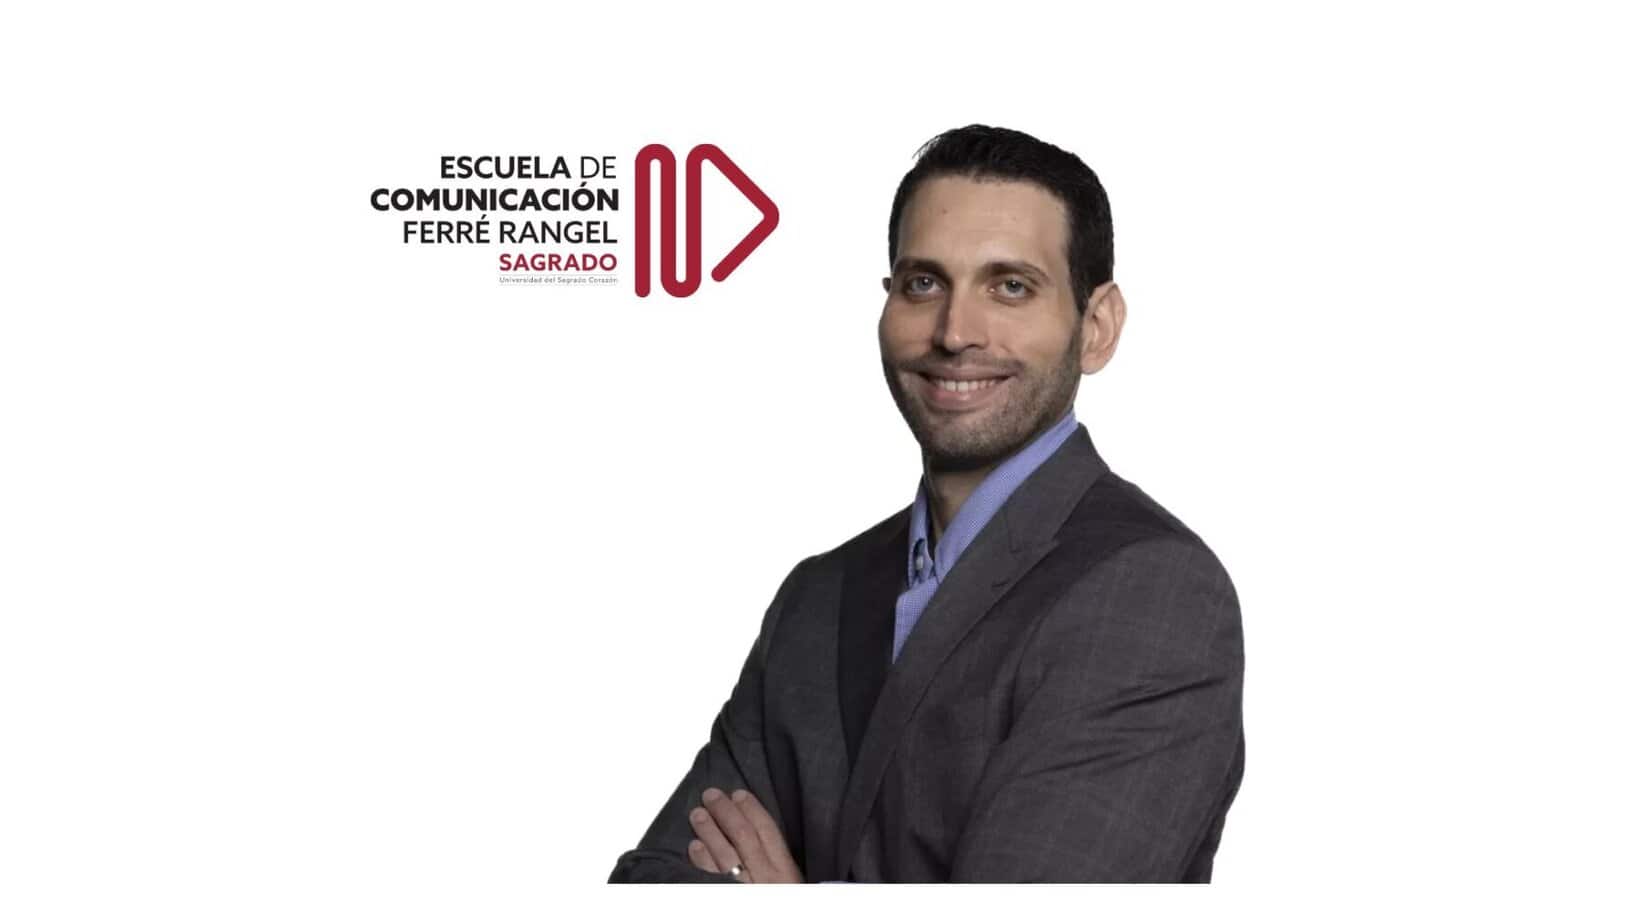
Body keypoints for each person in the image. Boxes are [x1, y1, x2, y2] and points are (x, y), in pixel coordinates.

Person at [607, 124, 1244, 883]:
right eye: (924, 284)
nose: (955, 333)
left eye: (1010, 286)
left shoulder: (1150, 592)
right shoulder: (817, 597)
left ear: (1096, 327)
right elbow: (649, 885)